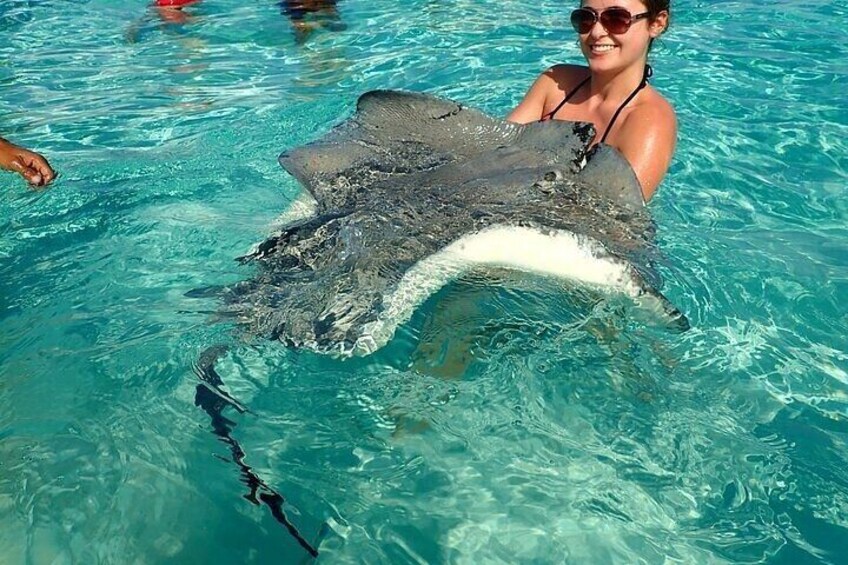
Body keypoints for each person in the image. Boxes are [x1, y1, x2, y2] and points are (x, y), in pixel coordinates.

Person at [507, 0, 675, 201]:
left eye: (616, 19)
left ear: (657, 23)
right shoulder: (554, 83)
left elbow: (617, 218)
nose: (596, 32)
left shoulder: (650, 121)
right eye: (586, 19)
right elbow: (492, 153)